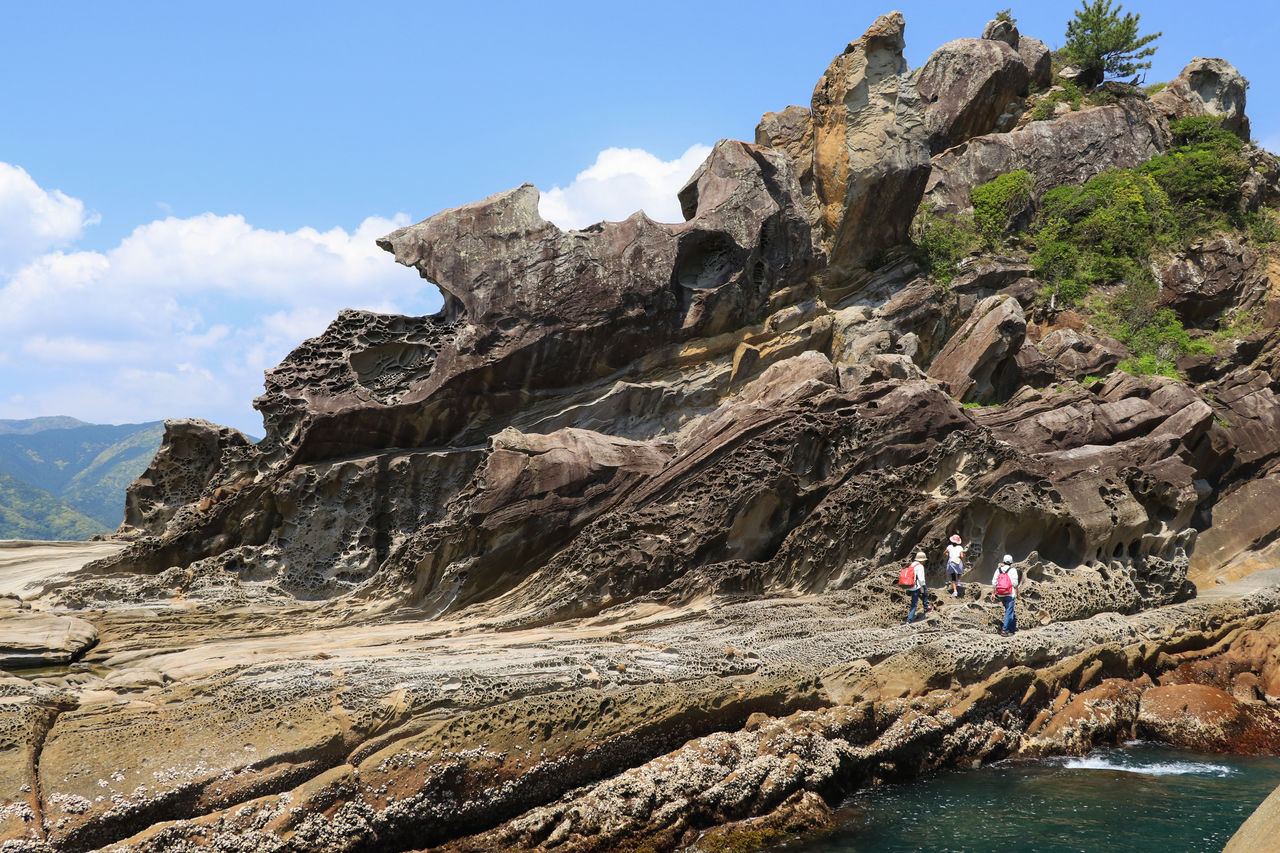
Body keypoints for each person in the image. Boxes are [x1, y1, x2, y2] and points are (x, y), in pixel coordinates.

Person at [990, 554, 1019, 635]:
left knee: (1009, 610)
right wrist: (1018, 592)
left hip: (1000, 594)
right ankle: (1004, 630)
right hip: (1010, 594)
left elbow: (994, 582)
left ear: (1003, 561)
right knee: (1009, 612)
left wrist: (993, 593)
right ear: (1011, 562)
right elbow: (1015, 583)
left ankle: (1012, 628)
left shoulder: (999, 570)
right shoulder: (1013, 570)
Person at [906, 551, 932, 624]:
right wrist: (924, 586)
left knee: (923, 595)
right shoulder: (920, 566)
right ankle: (909, 620)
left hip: (910, 586)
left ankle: (926, 607)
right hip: (916, 586)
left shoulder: (912, 565)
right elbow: (921, 579)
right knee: (914, 604)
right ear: (922, 560)